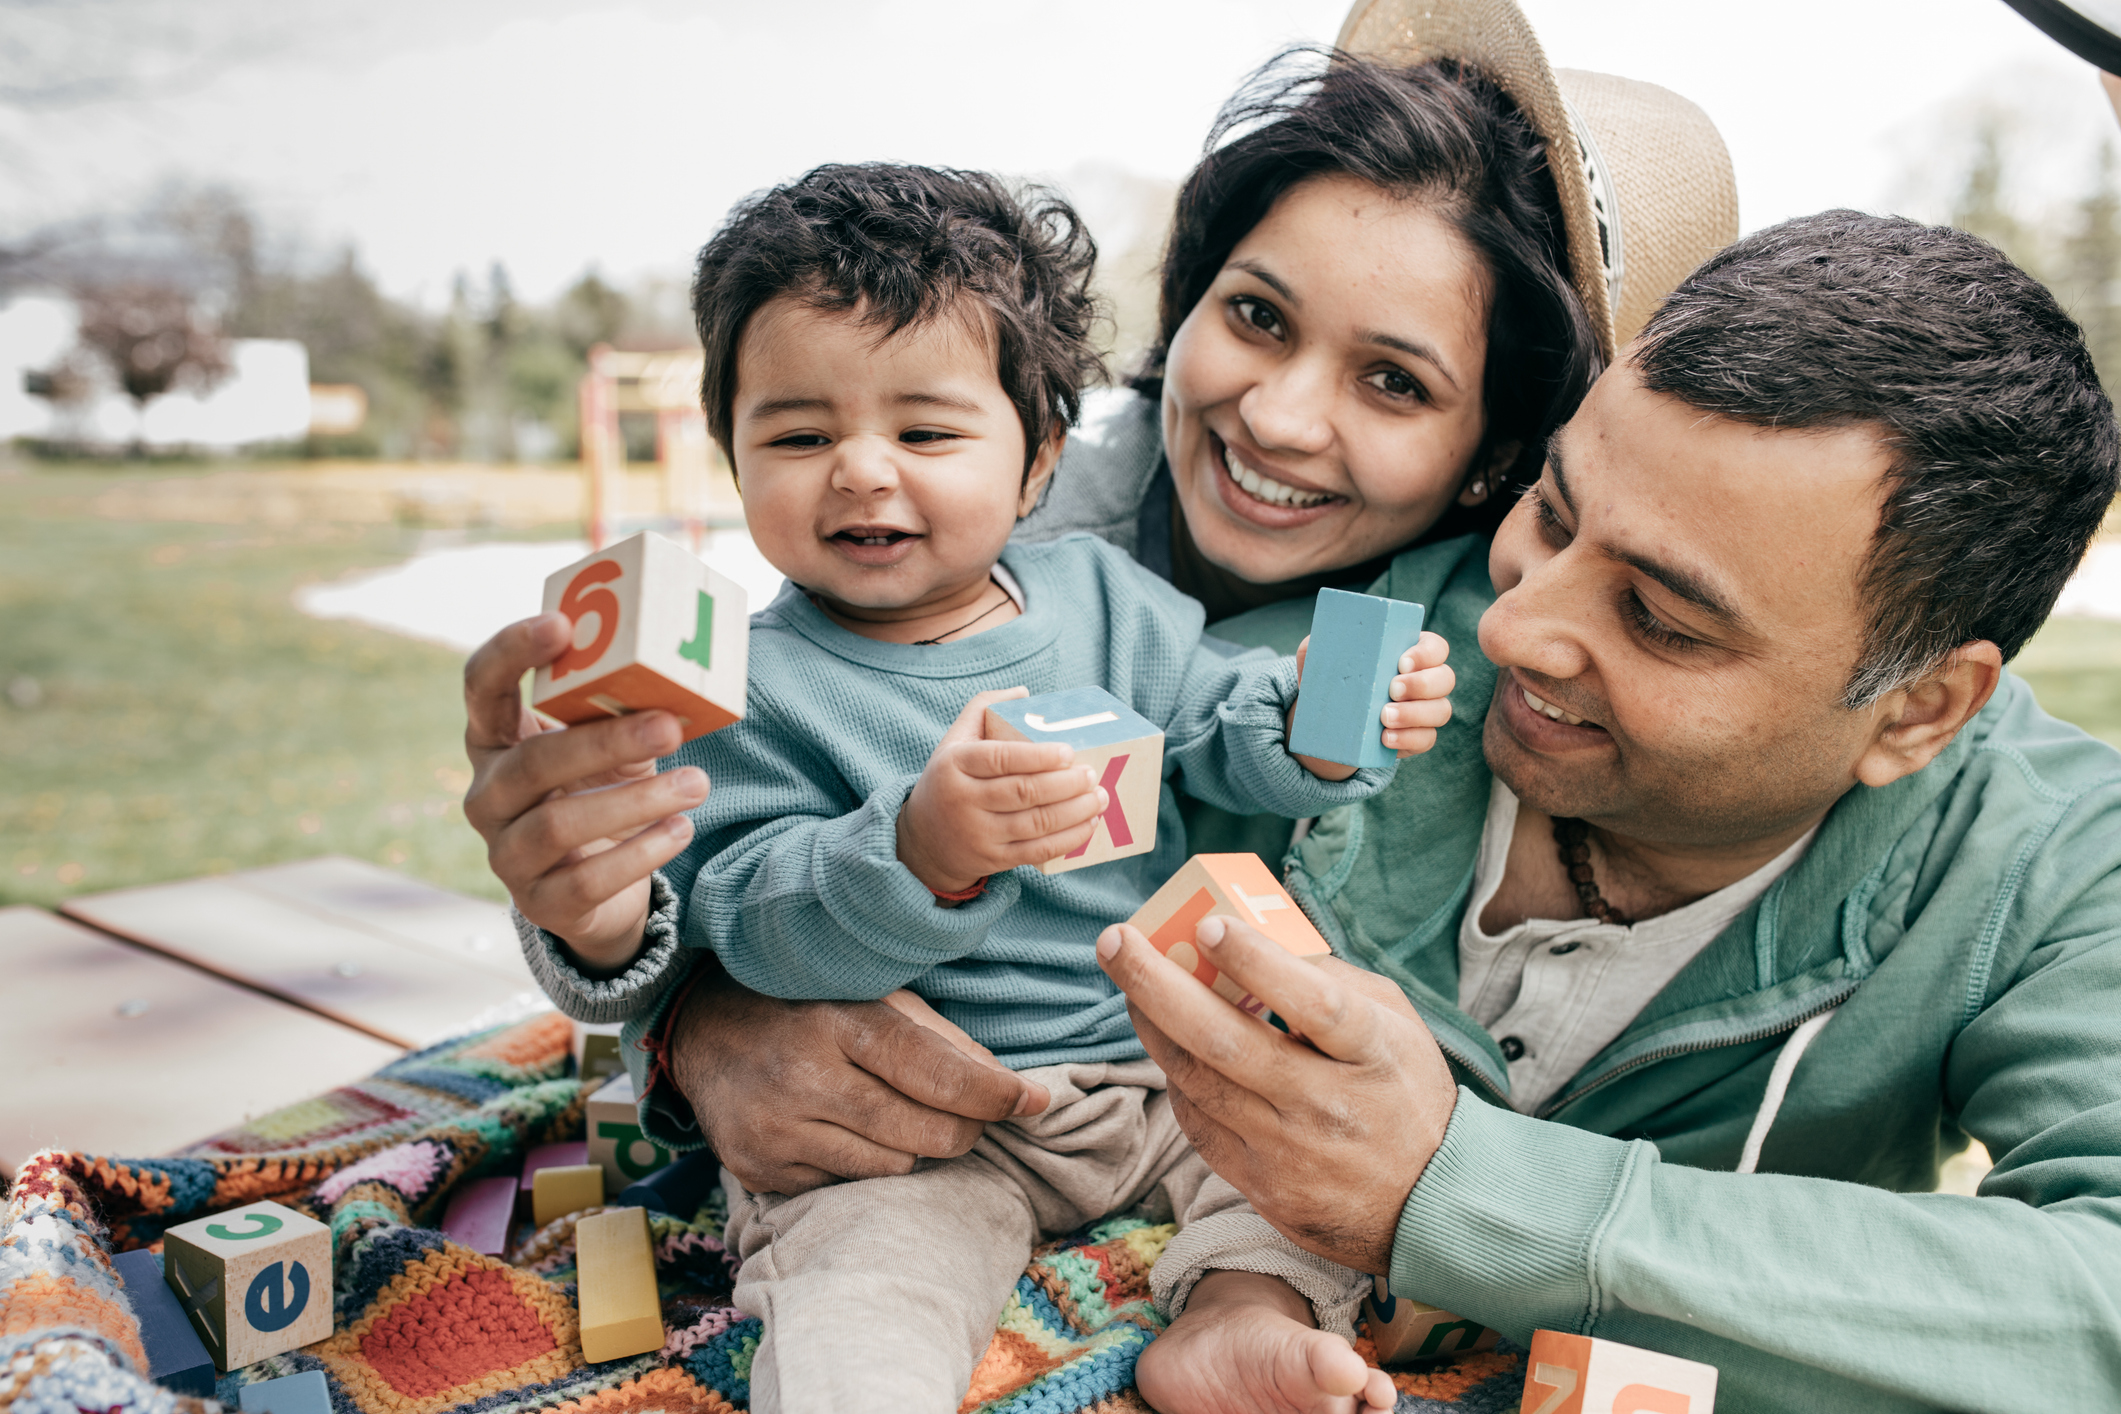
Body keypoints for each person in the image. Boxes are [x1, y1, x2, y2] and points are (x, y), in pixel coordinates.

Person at [456, 0, 1737, 1224]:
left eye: (1395, 381)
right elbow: (711, 847)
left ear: (1493, 458)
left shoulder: (1487, 644)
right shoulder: (969, 523)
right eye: (1254, 315)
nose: (1281, 417)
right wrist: (687, 1015)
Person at [1095, 209, 2121, 1412]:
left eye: (1662, 620)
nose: (1510, 628)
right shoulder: (1304, 677)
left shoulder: (2055, 857)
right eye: (1553, 513)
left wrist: (1464, 1187)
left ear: (1919, 711)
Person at [509, 160, 1455, 1412]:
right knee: (862, 1287)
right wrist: (916, 849)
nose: (857, 469)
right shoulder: (748, 685)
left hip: (1155, 1075)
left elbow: (1230, 725)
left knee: (1303, 1176)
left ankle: (1236, 1320)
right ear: (734, 463)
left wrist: (1329, 731)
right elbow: (745, 917)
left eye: (924, 431)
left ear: (1037, 460)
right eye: (798, 434)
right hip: (913, 1127)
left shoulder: (1107, 604)